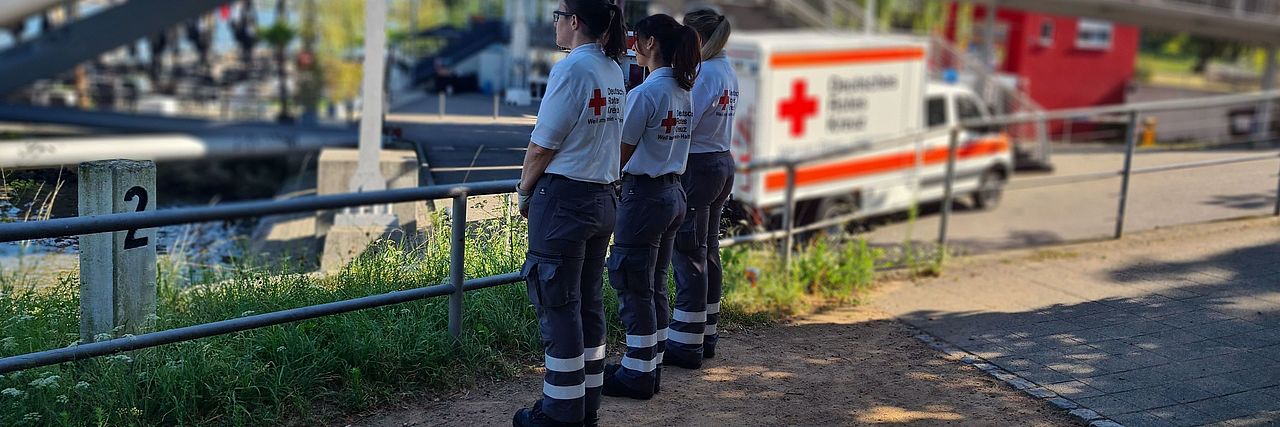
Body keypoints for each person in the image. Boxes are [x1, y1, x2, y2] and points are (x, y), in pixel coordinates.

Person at [513, 1, 625, 425]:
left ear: (574, 21)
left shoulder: (571, 69)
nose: (556, 23)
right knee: (588, 302)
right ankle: (585, 402)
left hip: (564, 202)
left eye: (558, 15)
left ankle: (561, 413)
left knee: (557, 302)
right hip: (602, 197)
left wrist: (524, 190)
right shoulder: (612, 69)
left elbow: (543, 144)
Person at [600, 13, 700, 401]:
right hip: (674, 193)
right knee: (655, 282)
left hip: (644, 197)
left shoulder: (645, 94)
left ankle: (638, 374)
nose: (632, 47)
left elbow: (620, 153)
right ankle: (649, 362)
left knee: (633, 283)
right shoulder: (683, 90)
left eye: (636, 40)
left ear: (651, 43)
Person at [665, 8, 737, 369]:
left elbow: (683, 120)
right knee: (708, 250)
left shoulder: (706, 73)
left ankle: (687, 343)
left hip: (698, 166)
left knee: (689, 252)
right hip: (721, 161)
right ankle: (706, 331)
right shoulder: (726, 68)